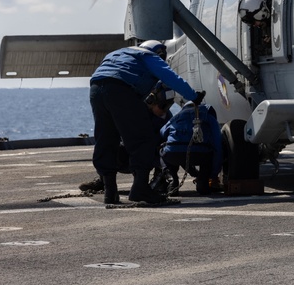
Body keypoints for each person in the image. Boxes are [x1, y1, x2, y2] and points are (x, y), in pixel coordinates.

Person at [89, 40, 204, 205]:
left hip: (96, 89)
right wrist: (193, 96)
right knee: (143, 139)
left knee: (106, 139)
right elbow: (170, 77)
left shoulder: (117, 53)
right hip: (121, 89)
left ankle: (110, 192)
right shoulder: (148, 55)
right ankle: (140, 189)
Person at [154, 102, 223, 196]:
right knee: (208, 154)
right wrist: (214, 173)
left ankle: (172, 180)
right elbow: (218, 144)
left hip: (174, 154)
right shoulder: (208, 116)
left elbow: (162, 133)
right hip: (201, 154)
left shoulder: (176, 117)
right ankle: (203, 182)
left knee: (164, 151)